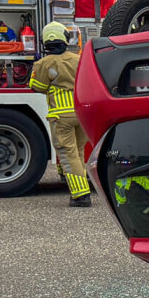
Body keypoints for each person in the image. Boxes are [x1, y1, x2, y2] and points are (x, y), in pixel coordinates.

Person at [30, 22, 90, 207]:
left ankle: (81, 195)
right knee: (78, 151)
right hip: (81, 113)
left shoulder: (44, 63)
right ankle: (79, 184)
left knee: (67, 153)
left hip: (61, 115)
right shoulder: (78, 59)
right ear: (65, 38)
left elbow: (38, 87)